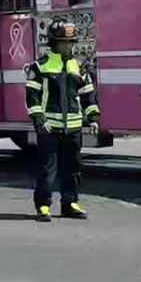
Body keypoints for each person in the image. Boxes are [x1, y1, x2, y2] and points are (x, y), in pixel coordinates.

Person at [24, 20, 100, 222]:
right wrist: (39, 119)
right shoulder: (40, 67)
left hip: (73, 129)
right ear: (53, 43)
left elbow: (88, 95)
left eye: (71, 42)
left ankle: (70, 204)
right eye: (64, 42)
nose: (68, 46)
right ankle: (43, 206)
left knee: (73, 169)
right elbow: (32, 96)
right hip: (49, 128)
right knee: (47, 170)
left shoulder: (79, 68)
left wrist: (92, 118)